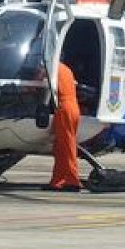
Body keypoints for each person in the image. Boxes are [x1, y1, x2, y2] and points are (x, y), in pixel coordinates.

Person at [48, 62, 82, 192]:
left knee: (66, 145)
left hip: (64, 108)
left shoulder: (52, 69)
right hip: (73, 106)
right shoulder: (66, 69)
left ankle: (72, 180)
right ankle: (58, 180)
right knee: (60, 146)